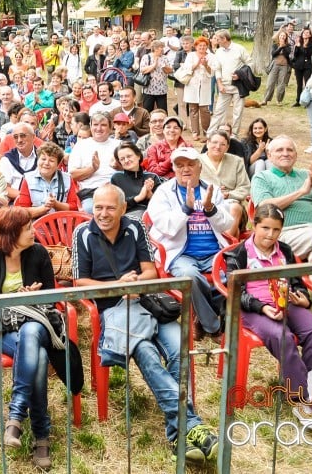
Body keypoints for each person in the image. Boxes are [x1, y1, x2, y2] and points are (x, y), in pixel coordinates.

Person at [74, 185, 219, 463]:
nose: (102, 214)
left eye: (110, 208)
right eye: (98, 207)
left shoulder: (135, 228)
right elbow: (80, 282)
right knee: (147, 354)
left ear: (123, 209)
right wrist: (118, 286)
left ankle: (179, 434)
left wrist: (136, 283)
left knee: (179, 349)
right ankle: (192, 425)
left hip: (146, 301)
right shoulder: (82, 233)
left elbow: (150, 271)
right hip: (114, 309)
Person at [225, 203, 312, 425]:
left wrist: (303, 296)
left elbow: (296, 280)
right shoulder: (238, 254)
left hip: (286, 302)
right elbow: (235, 292)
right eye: (265, 228)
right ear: (255, 225)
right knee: (281, 337)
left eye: (276, 229)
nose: (270, 234)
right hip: (253, 308)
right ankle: (303, 402)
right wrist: (261, 307)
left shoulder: (284, 250)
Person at [0, 207, 58, 469]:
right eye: (28, 228)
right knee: (39, 356)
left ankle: (16, 415)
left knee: (31, 333)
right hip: (0, 329)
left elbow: (52, 299)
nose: (34, 231)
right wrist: (13, 301)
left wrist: (33, 297)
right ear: (11, 233)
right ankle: (41, 435)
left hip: (37, 322)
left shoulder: (39, 253)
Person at [147, 147, 233, 338]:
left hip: (214, 252)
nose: (185, 169)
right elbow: (167, 227)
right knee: (189, 276)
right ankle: (212, 326)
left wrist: (211, 209)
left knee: (236, 277)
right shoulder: (163, 192)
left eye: (190, 164)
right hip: (181, 253)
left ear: (199, 167)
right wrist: (186, 208)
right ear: (174, 169)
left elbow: (227, 223)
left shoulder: (212, 190)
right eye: (180, 165)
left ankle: (200, 316)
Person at [250, 136, 312, 261]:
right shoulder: (262, 177)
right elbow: (264, 207)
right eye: (280, 150)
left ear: (296, 155)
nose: (285, 154)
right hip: (285, 232)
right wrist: (301, 192)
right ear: (269, 155)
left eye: (290, 150)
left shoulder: (305, 174)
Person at [199, 130, 251, 238]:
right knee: (234, 231)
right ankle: (229, 245)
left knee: (235, 208)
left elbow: (245, 187)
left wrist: (228, 194)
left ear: (227, 147)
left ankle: (223, 245)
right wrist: (214, 192)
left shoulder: (236, 161)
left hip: (231, 204)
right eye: (214, 142)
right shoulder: (197, 161)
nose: (218, 147)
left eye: (223, 144)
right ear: (207, 143)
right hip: (204, 204)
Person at [68, 111, 121, 213]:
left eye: (103, 125)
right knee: (91, 210)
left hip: (117, 190)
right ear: (91, 126)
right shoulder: (81, 145)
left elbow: (133, 170)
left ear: (111, 128)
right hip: (91, 192)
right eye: (95, 125)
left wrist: (119, 167)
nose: (99, 128)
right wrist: (92, 169)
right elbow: (73, 175)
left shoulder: (119, 145)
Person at [15, 142, 79, 217]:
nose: (46, 163)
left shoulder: (67, 178)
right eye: (43, 159)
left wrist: (56, 204)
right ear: (38, 160)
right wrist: (44, 208)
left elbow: (74, 207)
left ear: (58, 165)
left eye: (51, 160)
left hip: (61, 225)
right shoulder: (28, 178)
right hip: (36, 224)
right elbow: (23, 211)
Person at [209, 30, 251, 136]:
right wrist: (219, 84)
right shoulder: (218, 52)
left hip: (239, 86)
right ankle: (210, 134)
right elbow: (217, 69)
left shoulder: (239, 49)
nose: (216, 40)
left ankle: (234, 135)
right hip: (224, 85)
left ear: (224, 39)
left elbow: (250, 63)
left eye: (218, 39)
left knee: (237, 112)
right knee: (218, 110)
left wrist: (240, 74)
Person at [111, 142, 162, 220]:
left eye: (129, 156)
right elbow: (115, 205)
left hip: (151, 215)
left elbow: (162, 205)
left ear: (138, 155)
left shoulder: (152, 177)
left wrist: (150, 195)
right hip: (126, 216)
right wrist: (138, 198)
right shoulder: (117, 178)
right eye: (122, 159)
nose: (126, 160)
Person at [261, 30, 293, 106]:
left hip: (284, 66)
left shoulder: (288, 46)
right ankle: (265, 100)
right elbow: (273, 54)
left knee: (281, 84)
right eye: (281, 35)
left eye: (284, 36)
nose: (282, 37)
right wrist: (280, 47)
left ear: (286, 38)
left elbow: (287, 54)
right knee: (270, 83)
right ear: (279, 36)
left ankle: (279, 100)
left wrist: (283, 46)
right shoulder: (275, 45)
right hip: (275, 65)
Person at [292, 28, 312, 106]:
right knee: (299, 84)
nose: (305, 33)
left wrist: (304, 47)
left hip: (307, 66)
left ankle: (307, 100)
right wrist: (297, 46)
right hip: (298, 66)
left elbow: (308, 54)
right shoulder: (299, 42)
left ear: (310, 35)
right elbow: (295, 55)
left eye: (308, 32)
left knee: (308, 83)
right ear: (302, 34)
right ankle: (298, 101)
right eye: (304, 32)